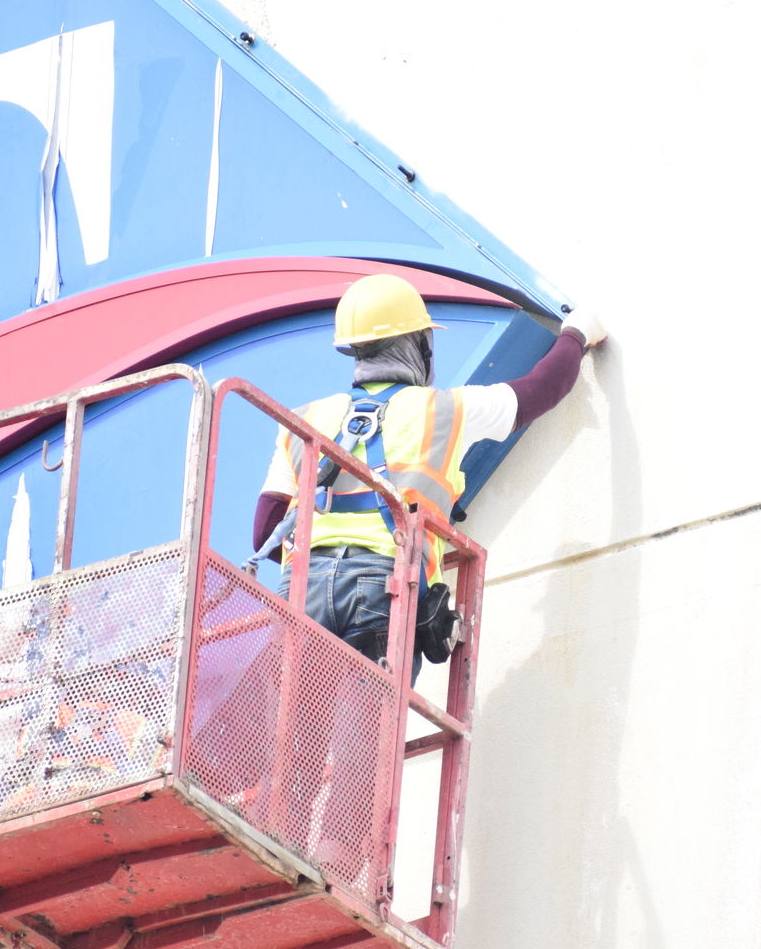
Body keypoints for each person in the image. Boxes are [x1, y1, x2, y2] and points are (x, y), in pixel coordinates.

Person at [252, 273, 607, 667]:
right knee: (369, 725)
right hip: (385, 584)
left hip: (301, 588)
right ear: (419, 345)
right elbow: (542, 389)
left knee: (297, 724)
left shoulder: (303, 419)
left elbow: (265, 529)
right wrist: (577, 333)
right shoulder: (448, 409)